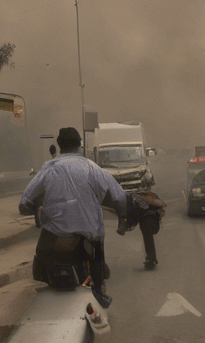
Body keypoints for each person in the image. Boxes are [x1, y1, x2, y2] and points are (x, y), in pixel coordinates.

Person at [20, 127, 126, 307]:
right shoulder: (92, 168)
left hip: (55, 238)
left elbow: (24, 203)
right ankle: (99, 291)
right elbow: (120, 197)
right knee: (98, 249)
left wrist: (33, 208)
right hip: (88, 237)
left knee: (41, 253)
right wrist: (122, 217)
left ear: (59, 146)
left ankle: (46, 285)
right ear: (80, 146)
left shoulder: (49, 168)